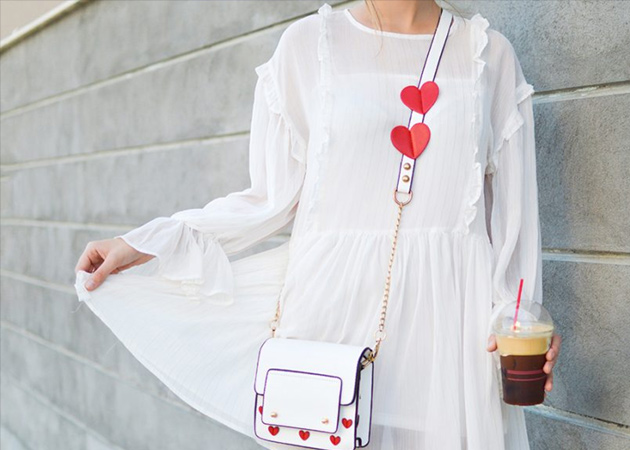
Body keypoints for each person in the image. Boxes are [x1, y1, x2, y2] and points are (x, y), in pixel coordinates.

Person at [73, 1, 561, 448]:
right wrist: (150, 243)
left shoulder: (488, 55)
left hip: (448, 337)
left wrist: (522, 320)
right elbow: (267, 200)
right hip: (330, 324)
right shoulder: (308, 46)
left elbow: (514, 223)